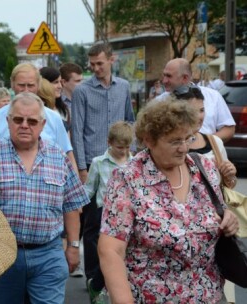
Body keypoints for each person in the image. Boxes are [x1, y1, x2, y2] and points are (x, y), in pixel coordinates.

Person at [98, 99, 239, 303]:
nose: (183, 148)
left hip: (209, 295)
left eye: (188, 139)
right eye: (174, 141)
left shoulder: (204, 169)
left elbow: (219, 211)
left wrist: (229, 219)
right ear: (149, 140)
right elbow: (110, 250)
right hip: (150, 296)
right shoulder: (128, 179)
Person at [0, 92, 89, 304]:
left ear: (43, 124)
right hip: (1, 254)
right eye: (18, 119)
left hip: (49, 254)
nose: (25, 125)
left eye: (32, 121)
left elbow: (71, 206)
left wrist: (73, 247)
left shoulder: (59, 157)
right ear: (8, 121)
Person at [71, 43, 135, 284]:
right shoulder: (82, 91)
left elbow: (130, 121)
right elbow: (76, 131)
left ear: (111, 60)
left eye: (100, 63)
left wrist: (133, 158)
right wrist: (82, 169)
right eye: (92, 64)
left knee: (123, 221)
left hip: (120, 163)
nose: (96, 68)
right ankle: (94, 278)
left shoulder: (124, 87)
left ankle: (118, 273)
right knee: (93, 225)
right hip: (93, 164)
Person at [173, 85, 239, 303]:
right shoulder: (170, 145)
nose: (200, 116)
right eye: (193, 111)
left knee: (219, 283)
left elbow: (226, 186)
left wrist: (229, 174)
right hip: (179, 229)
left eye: (202, 110)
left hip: (216, 228)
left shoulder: (214, 142)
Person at [0, 62, 78, 172]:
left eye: (30, 85)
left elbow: (68, 156)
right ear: (12, 84)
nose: (26, 90)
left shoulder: (53, 118)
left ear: (38, 85)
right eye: (21, 85)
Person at [83, 121, 134, 303]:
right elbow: (89, 188)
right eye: (120, 147)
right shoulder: (99, 162)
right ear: (109, 142)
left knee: (126, 256)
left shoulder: (134, 162)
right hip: (105, 215)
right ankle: (98, 286)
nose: (123, 151)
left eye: (127, 147)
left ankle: (115, 289)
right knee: (109, 255)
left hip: (129, 215)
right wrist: (77, 204)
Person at [159, 58, 236, 142]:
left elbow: (229, 129)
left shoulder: (213, 96)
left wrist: (206, 143)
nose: (164, 80)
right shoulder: (160, 101)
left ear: (185, 77)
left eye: (169, 76)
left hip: (208, 153)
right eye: (164, 75)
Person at [40, 67, 70, 133]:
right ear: (44, 84)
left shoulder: (63, 109)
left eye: (60, 82)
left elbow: (67, 138)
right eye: (55, 82)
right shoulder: (38, 109)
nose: (60, 86)